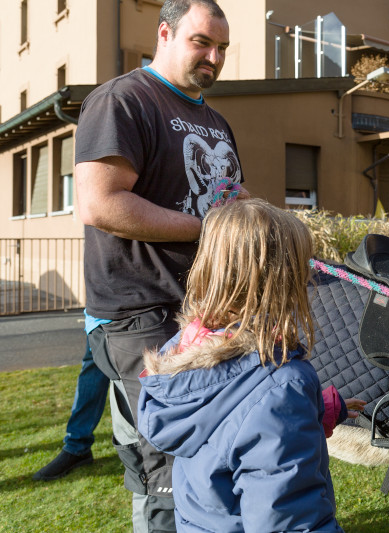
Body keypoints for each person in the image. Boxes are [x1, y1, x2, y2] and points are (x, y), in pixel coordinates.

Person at [73, 1, 246, 530]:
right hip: (139, 315)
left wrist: (266, 228)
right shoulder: (123, 101)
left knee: (207, 452)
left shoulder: (215, 121)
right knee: (167, 467)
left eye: (222, 48)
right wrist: (206, 228)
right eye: (202, 42)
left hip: (202, 309)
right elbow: (100, 203)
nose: (214, 58)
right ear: (165, 34)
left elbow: (228, 200)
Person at [137, 199, 363, 532]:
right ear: (282, 281)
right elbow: (288, 520)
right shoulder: (281, 385)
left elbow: (233, 427)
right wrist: (290, 406)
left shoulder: (184, 348)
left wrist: (318, 411)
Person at [32, 329, 109, 481]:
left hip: (139, 320)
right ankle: (77, 446)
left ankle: (147, 448)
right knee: (93, 366)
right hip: (99, 320)